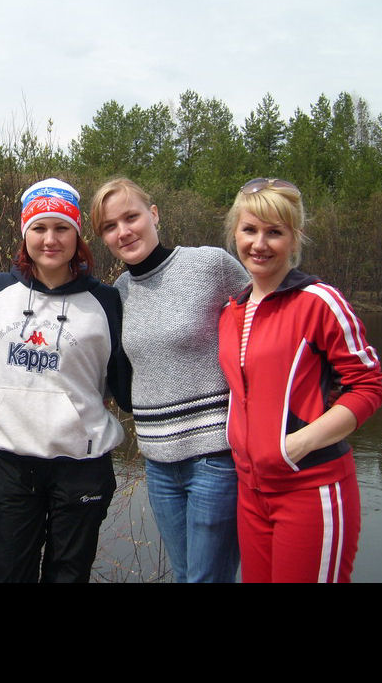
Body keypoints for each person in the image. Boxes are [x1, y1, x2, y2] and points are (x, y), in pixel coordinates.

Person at [218, 177, 382, 583]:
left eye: (274, 232)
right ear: (235, 233)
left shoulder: (320, 302)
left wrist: (297, 444)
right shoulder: (231, 309)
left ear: (295, 238)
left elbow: (368, 386)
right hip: (251, 492)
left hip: (311, 489)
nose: (259, 244)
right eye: (249, 230)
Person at [90, 178, 249, 583]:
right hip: (158, 463)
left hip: (215, 457)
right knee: (184, 575)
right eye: (110, 226)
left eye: (131, 217)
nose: (123, 232)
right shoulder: (120, 292)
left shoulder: (209, 265)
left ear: (154, 214)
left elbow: (270, 312)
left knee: (205, 579)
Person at [0, 178, 131, 583]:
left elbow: (124, 381)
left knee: (68, 575)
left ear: (77, 236)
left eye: (62, 228)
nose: (50, 239)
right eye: (39, 228)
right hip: (9, 460)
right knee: (8, 574)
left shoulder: (106, 301)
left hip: (81, 462)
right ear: (24, 234)